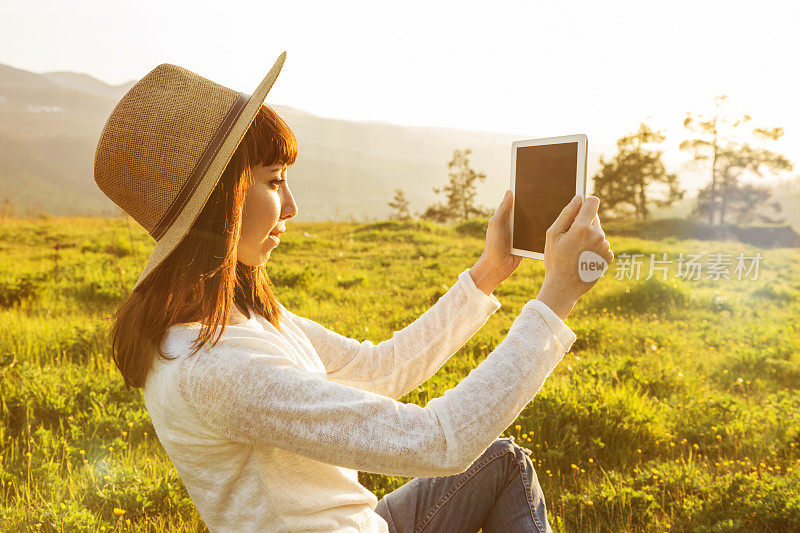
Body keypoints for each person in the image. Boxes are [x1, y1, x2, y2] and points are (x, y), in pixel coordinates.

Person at [96, 54, 613, 533]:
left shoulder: (240, 317)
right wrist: (555, 300)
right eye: (274, 181)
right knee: (487, 457)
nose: (292, 206)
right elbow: (439, 441)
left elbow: (379, 369)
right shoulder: (215, 369)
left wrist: (490, 272)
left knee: (502, 461)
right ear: (220, 202)